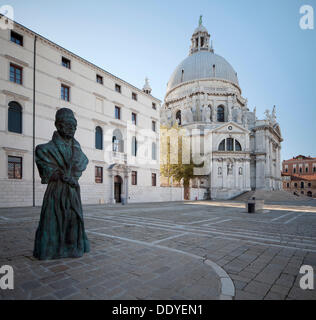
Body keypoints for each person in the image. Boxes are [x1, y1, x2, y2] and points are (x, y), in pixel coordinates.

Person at [33, 108, 90, 260]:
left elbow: (81, 165)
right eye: (67, 124)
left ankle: (73, 247)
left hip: (72, 192)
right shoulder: (44, 150)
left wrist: (70, 178)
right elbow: (46, 171)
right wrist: (58, 175)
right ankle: (51, 250)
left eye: (74, 125)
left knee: (73, 221)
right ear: (58, 125)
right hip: (56, 192)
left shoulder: (79, 153)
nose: (72, 128)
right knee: (53, 222)